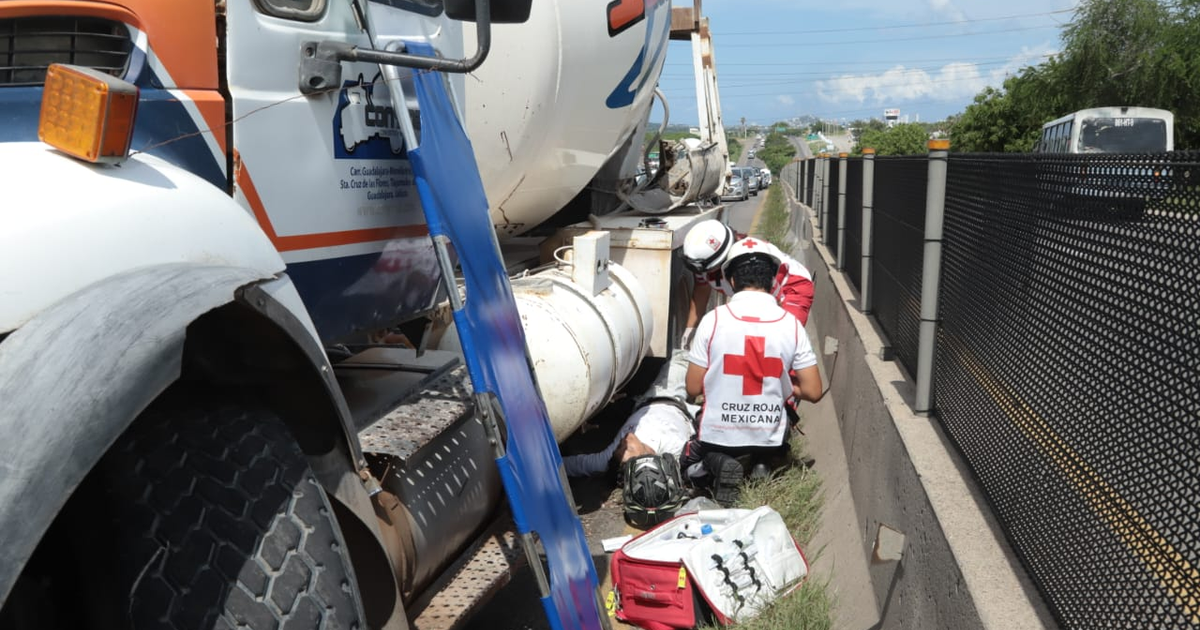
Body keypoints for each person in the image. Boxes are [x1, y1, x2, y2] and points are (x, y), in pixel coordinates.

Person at [681, 240, 823, 506]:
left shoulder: (713, 319)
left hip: (719, 434)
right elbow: (814, 392)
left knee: (687, 461)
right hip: (771, 437)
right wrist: (782, 386)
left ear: (732, 280)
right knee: (769, 432)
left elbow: (692, 388)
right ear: (773, 281)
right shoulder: (791, 324)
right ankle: (761, 462)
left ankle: (718, 462)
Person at [680, 220, 814, 349]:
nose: (704, 274)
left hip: (791, 287)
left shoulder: (755, 265)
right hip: (763, 291)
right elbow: (701, 292)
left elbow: (772, 309)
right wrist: (690, 329)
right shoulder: (703, 260)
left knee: (785, 342)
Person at [562, 396, 696, 478]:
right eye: (628, 449)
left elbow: (576, 465)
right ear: (645, 460)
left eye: (618, 445)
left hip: (648, 399)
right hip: (684, 407)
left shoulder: (608, 459)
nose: (625, 440)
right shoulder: (674, 452)